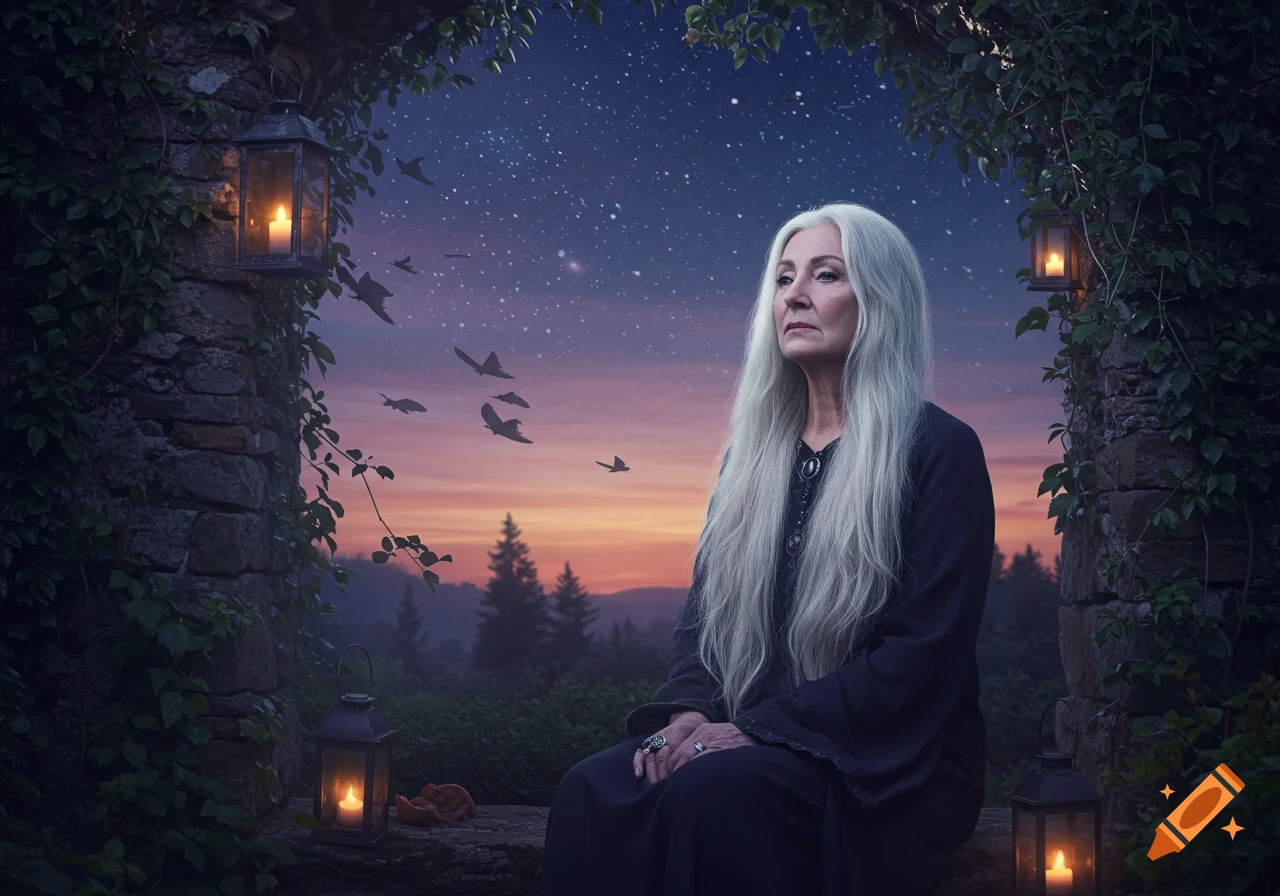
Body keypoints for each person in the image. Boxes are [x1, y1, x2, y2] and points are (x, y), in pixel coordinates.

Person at [540, 201, 995, 896]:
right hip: (749, 737)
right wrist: (687, 714)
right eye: (784, 279)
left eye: (826, 275)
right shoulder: (750, 460)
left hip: (883, 761)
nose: (797, 296)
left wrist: (756, 730)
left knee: (710, 795)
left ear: (880, 300)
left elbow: (922, 656)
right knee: (592, 789)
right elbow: (702, 622)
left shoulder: (939, 451)